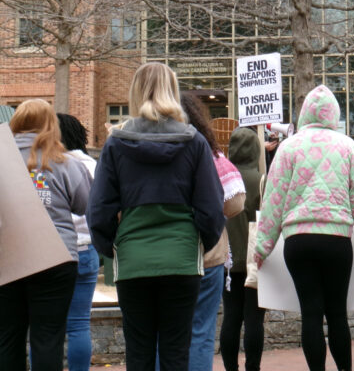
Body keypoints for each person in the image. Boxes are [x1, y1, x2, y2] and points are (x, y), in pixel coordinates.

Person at [87, 62, 226, 371]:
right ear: (173, 92)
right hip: (181, 260)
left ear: (135, 92)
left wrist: (112, 247)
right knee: (177, 351)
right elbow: (212, 208)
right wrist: (199, 242)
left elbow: (99, 210)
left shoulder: (115, 144)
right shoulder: (194, 142)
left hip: (134, 260)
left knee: (139, 352)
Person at [254, 84, 354, 371]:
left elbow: (274, 200)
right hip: (336, 240)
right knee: (337, 314)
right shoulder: (348, 146)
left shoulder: (288, 147)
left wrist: (262, 247)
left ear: (305, 112)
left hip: (298, 241)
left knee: (310, 314)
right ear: (333, 114)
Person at [0, 99, 91, 371]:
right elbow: (85, 204)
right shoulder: (65, 163)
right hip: (56, 258)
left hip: (7, 257)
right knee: (48, 336)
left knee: (7, 336)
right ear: (52, 125)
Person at [178, 93, 246, 371]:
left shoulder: (138, 149)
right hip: (208, 254)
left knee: (161, 334)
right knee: (200, 332)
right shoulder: (209, 154)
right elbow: (235, 202)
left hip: (161, 255)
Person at [220, 126, 267, 371]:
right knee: (254, 319)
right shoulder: (260, 180)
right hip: (254, 260)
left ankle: (230, 368)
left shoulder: (224, 179)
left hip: (227, 260)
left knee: (231, 318)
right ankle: (253, 367)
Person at [57, 113, 99, 371]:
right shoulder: (93, 166)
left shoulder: (45, 166)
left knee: (44, 324)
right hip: (85, 248)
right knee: (79, 323)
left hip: (52, 252)